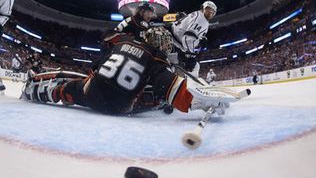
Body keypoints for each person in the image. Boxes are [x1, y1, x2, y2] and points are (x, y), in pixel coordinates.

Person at [21, 27, 240, 115]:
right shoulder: (156, 58)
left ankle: (35, 90)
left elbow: (98, 62)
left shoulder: (121, 41)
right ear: (160, 45)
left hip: (91, 93)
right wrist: (203, 103)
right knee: (158, 96)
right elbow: (176, 93)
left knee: (66, 90)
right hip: (119, 107)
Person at [169, 1, 217, 77]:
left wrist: (199, 39)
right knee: (194, 66)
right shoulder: (202, 20)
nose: (210, 13)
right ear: (202, 8)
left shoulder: (197, 14)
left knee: (172, 66)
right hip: (175, 43)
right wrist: (190, 55)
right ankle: (189, 82)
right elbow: (188, 37)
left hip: (172, 38)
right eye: (208, 10)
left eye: (212, 12)